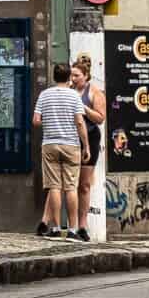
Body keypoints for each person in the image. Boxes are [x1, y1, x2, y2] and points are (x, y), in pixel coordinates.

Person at [34, 62, 87, 239]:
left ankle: (55, 228)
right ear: (69, 77)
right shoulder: (73, 96)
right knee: (71, 187)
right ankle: (72, 230)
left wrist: (50, 123)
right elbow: (79, 122)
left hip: (50, 144)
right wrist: (86, 145)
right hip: (71, 144)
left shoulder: (44, 95)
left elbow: (36, 120)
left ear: (54, 76)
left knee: (54, 186)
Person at [70, 53, 106, 239]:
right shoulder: (67, 90)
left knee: (83, 184)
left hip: (89, 138)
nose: (73, 79)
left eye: (76, 76)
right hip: (69, 138)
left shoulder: (94, 92)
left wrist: (83, 108)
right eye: (72, 75)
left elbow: (100, 118)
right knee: (67, 184)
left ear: (86, 76)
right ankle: (70, 226)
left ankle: (83, 225)